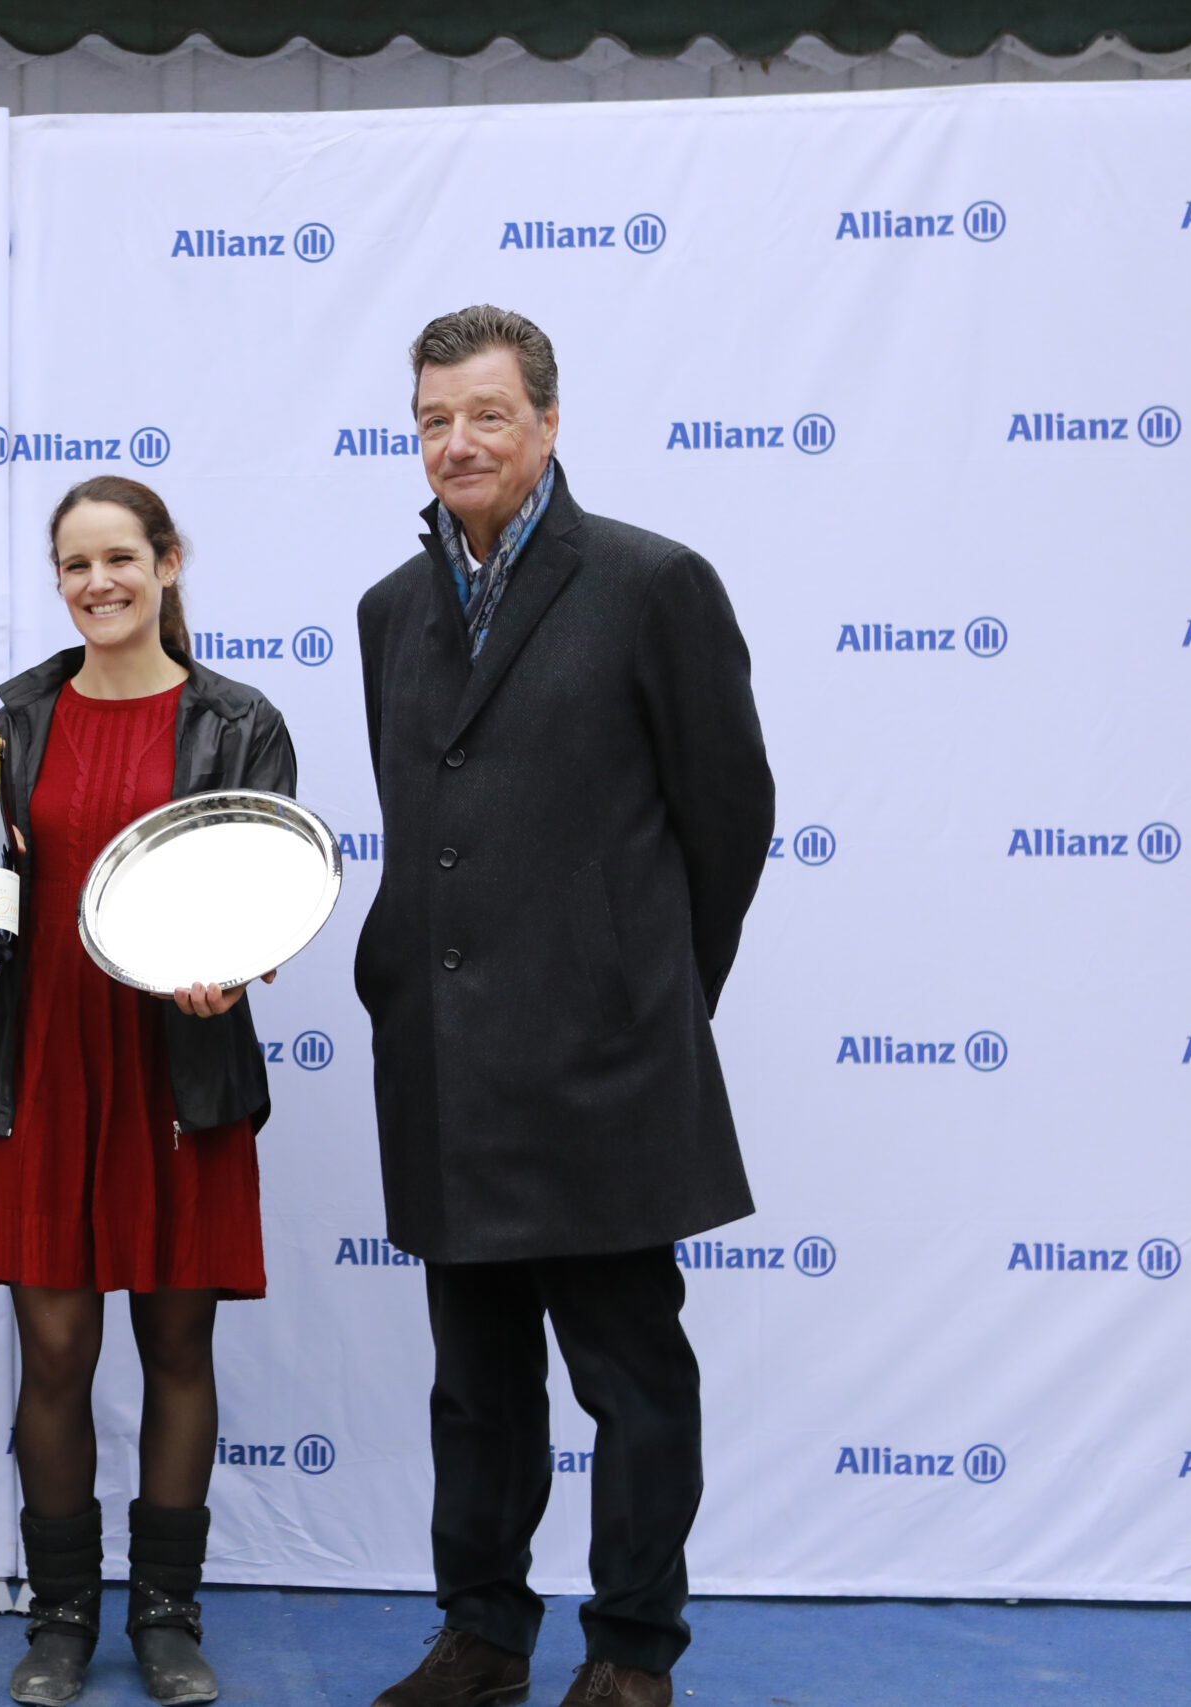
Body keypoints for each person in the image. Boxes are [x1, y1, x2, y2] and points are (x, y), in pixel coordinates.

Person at [354, 307, 774, 1707]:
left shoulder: (656, 584)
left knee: (633, 1380)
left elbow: (729, 817)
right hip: (444, 1068)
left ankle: (632, 1650)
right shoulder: (389, 612)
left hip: (603, 1066)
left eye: (484, 414)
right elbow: (430, 828)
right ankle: (481, 1633)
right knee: (473, 1387)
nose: (456, 442)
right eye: (432, 419)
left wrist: (645, 995)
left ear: (546, 421)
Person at [0, 477, 295, 1707]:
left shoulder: (237, 720)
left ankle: (167, 1617)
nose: (98, 584)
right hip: (44, 1056)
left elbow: (267, 888)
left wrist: (235, 968)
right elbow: (6, 891)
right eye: (75, 565)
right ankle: (60, 1619)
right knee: (52, 1354)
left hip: (179, 1068)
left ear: (168, 562)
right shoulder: (15, 722)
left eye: (120, 559)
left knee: (177, 1343)